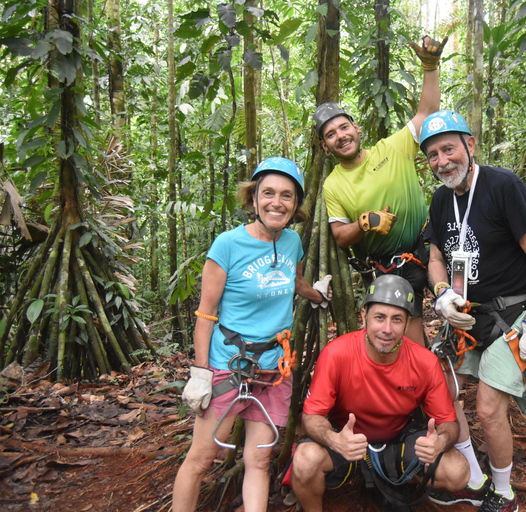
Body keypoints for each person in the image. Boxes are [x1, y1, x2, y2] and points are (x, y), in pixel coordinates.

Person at [172, 157, 332, 512]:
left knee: (258, 462)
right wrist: (200, 373)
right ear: (254, 198)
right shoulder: (227, 245)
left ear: (296, 204)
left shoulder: (292, 242)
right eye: (269, 193)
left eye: (287, 195)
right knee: (201, 459)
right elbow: (205, 313)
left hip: (275, 369)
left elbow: (296, 281)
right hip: (228, 366)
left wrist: (317, 294)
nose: (278, 202)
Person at [419, 111, 526, 512]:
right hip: (467, 316)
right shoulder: (442, 199)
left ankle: (503, 490)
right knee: (442, 391)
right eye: (432, 155)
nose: (442, 161)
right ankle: (473, 477)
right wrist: (442, 294)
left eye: (449, 149)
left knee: (489, 408)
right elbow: (436, 257)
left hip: (511, 314)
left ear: (470, 146)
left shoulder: (503, 185)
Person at [290, 274, 470, 512]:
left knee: (458, 471)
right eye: (379, 318)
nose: (387, 329)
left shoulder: (425, 362)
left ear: (408, 323)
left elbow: (449, 423)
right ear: (364, 317)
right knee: (304, 461)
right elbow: (311, 416)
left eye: (397, 319)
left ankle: (393, 477)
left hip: (398, 444)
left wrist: (441, 442)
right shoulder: (336, 354)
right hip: (347, 443)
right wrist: (334, 439)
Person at [312, 34, 449, 346]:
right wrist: (364, 223)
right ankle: (425, 385)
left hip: (431, 246)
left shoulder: (392, 147)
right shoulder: (333, 184)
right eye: (331, 134)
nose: (340, 136)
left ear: (356, 128)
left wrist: (430, 66)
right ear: (325, 146)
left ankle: (461, 369)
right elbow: (340, 236)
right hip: (392, 267)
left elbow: (427, 115)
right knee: (411, 339)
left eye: (343, 127)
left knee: (464, 304)